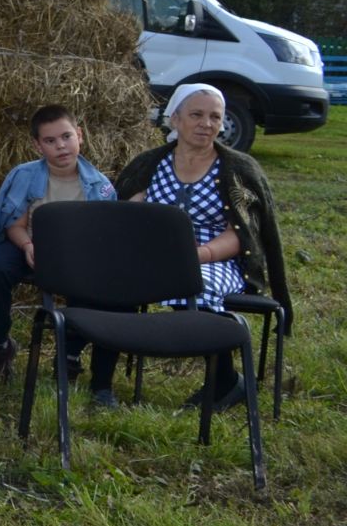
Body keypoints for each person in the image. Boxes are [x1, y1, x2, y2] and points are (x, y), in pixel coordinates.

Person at [106, 83, 288, 410]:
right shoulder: (150, 164)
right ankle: (100, 384)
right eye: (197, 115)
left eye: (215, 117)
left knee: (195, 284)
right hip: (156, 255)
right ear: (175, 119)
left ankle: (224, 381)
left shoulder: (236, 168)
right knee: (116, 283)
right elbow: (125, 216)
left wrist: (199, 254)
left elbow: (243, 234)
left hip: (218, 257)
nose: (207, 123)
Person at [0, 105, 116, 376]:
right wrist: (27, 246)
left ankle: (70, 352)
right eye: (50, 141)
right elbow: (15, 224)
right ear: (37, 145)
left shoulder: (99, 186)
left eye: (66, 137)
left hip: (76, 254)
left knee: (95, 283)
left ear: (79, 135)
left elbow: (102, 238)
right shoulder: (25, 176)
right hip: (30, 245)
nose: (61, 146)